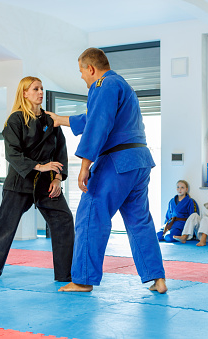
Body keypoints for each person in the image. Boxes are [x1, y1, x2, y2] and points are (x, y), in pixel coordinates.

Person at [47, 48, 167, 293]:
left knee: (90, 214)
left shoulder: (102, 85)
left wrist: (84, 166)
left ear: (91, 69)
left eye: (81, 71)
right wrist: (61, 119)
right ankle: (158, 278)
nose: (82, 77)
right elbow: (94, 117)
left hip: (116, 162)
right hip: (139, 161)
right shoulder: (121, 85)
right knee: (139, 221)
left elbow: (98, 125)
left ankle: (82, 280)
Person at [0, 76, 74, 283]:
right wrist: (39, 166)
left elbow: (61, 152)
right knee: (5, 226)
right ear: (24, 93)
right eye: (35, 89)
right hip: (19, 182)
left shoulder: (51, 120)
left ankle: (65, 274)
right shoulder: (16, 119)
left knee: (64, 220)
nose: (40, 92)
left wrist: (57, 179)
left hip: (47, 184)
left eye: (42, 88)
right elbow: (12, 153)